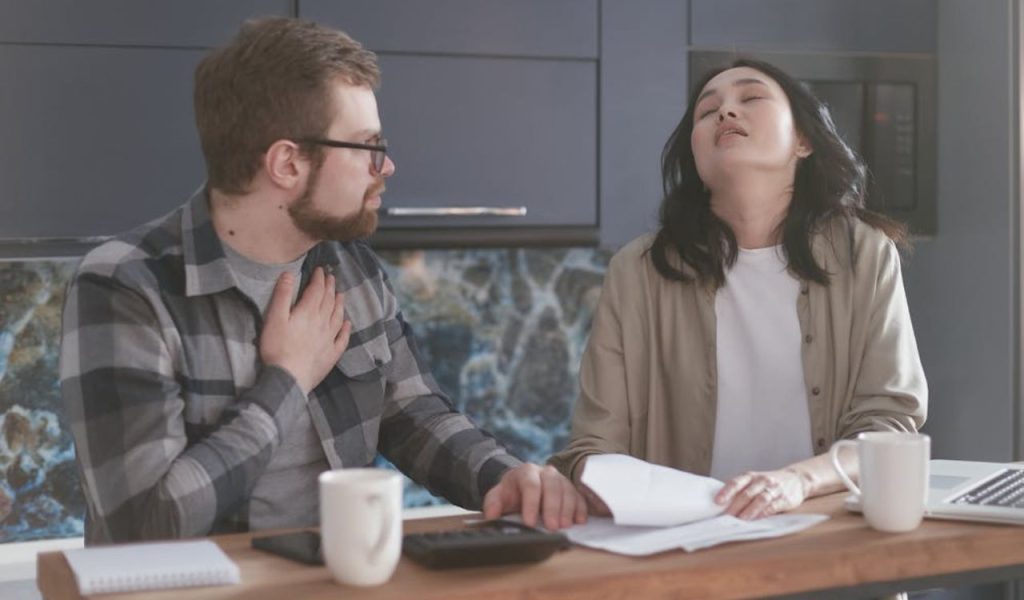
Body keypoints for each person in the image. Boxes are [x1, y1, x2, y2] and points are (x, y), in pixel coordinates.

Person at [60, 17, 585, 545]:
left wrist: (503, 476)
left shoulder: (348, 266)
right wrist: (287, 381)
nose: (387, 166)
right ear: (287, 163)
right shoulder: (125, 286)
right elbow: (143, 523)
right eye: (368, 146)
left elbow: (412, 412)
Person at [549, 58, 927, 520]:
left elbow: (888, 421)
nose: (725, 113)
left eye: (750, 98)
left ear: (803, 140)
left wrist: (797, 481)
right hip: (686, 551)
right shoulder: (638, 270)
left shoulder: (863, 253)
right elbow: (594, 446)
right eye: (707, 111)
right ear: (694, 154)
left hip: (828, 536)